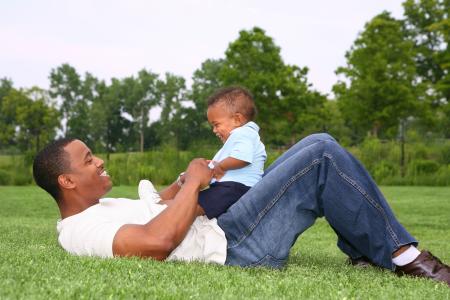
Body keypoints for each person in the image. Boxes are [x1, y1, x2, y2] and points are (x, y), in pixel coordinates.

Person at [33, 134, 450, 286]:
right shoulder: (77, 230)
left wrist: (184, 181)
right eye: (88, 160)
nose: (99, 161)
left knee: (316, 142)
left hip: (221, 226)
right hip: (234, 249)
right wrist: (194, 183)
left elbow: (157, 208)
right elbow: (155, 242)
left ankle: (368, 250)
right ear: (66, 181)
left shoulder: (107, 204)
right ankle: (405, 257)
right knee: (320, 155)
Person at [196, 86, 266, 219]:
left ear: (237, 119)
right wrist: (214, 165)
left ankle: (162, 209)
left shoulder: (243, 133)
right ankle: (164, 206)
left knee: (195, 205)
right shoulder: (242, 135)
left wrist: (220, 166)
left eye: (216, 124)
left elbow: (243, 158)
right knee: (198, 200)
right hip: (233, 188)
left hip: (235, 188)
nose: (214, 130)